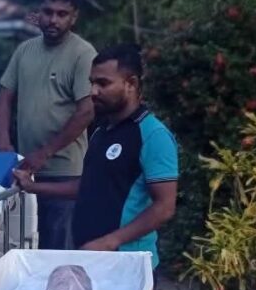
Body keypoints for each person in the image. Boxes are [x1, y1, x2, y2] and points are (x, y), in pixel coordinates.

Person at [14, 44, 177, 269]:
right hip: (91, 259)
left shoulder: (153, 134)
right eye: (91, 82)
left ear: (131, 84)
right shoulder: (101, 131)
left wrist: (110, 242)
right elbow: (90, 186)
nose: (93, 91)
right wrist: (33, 187)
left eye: (103, 83)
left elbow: (165, 207)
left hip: (128, 264)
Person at [0, 0, 97, 249]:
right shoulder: (24, 50)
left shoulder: (83, 54)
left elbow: (86, 111)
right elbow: (5, 96)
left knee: (58, 250)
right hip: (24, 169)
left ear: (74, 17)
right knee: (23, 246)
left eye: (62, 14)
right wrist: (3, 140)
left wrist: (45, 153)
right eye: (48, 12)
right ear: (38, 12)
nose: (53, 20)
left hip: (65, 174)